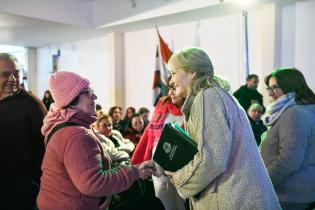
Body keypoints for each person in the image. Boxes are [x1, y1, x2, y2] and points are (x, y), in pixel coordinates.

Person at [164, 47, 280, 210]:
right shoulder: (214, 95)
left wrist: (179, 179)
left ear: (192, 72)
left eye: (174, 72)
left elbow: (211, 159)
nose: (170, 81)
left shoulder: (208, 97)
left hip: (234, 200)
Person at [37, 71, 156, 210]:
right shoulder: (76, 136)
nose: (95, 96)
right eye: (88, 92)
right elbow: (93, 183)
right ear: (72, 100)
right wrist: (134, 172)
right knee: (152, 204)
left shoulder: (66, 126)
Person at [260, 67, 315, 210]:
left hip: (289, 195)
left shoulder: (295, 113)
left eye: (275, 87)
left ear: (290, 86)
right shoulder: (294, 110)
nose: (271, 93)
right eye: (269, 88)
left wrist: (262, 182)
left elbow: (288, 160)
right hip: (288, 192)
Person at [0, 53, 47, 210]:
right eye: (5, 74)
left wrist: (34, 181)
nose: (13, 79)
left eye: (16, 74)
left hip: (21, 187)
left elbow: (46, 145)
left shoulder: (31, 104)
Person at [132, 79, 186, 210]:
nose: (171, 92)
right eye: (170, 88)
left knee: (182, 203)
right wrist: (140, 159)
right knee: (164, 203)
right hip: (158, 164)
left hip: (182, 164)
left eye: (175, 88)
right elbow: (149, 131)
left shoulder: (191, 108)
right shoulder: (163, 104)